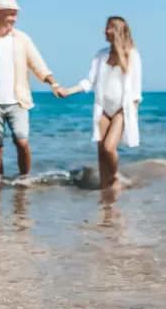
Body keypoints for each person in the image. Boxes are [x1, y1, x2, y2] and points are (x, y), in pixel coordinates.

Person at [0, 0, 62, 181]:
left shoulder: (22, 39)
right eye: (11, 14)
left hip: (18, 101)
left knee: (22, 142)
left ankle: (24, 179)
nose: (14, 18)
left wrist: (54, 83)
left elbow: (37, 64)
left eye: (15, 14)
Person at [56, 16, 142, 189]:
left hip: (121, 110)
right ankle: (106, 191)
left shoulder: (132, 55)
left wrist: (130, 116)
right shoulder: (101, 55)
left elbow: (136, 92)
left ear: (116, 31)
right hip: (103, 109)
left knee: (110, 147)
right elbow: (89, 81)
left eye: (108, 28)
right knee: (102, 152)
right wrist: (68, 91)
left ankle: (116, 176)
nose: (104, 31)